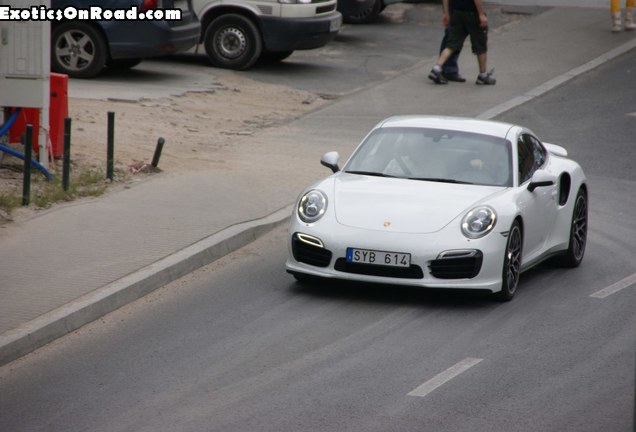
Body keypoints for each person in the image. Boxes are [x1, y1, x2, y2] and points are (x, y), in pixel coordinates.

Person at [428, 0, 495, 86]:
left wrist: (446, 13)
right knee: (480, 45)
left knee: (452, 44)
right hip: (472, 12)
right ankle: (483, 75)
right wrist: (481, 14)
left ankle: (436, 69)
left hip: (456, 12)